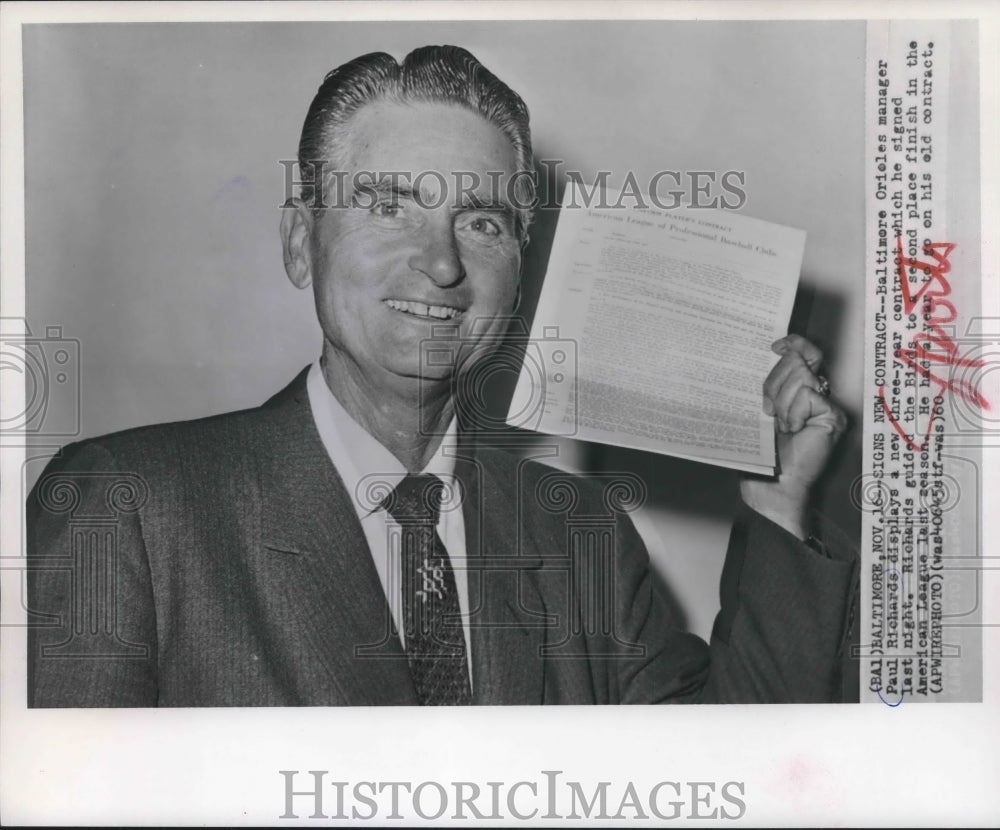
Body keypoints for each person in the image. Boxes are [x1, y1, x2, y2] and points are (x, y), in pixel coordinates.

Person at [27, 45, 855, 707]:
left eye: (483, 222)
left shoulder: (578, 534)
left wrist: (782, 496)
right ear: (297, 243)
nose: (442, 262)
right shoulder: (131, 505)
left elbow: (732, 773)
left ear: (520, 277)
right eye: (389, 206)